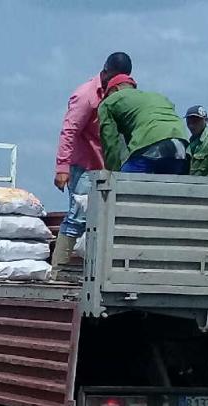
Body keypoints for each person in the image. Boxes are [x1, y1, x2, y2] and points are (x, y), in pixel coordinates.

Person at [51, 52, 132, 279]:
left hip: (109, 167)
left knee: (106, 219)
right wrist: (62, 167)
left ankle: (96, 274)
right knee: (79, 215)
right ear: (106, 72)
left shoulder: (122, 95)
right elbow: (69, 131)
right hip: (84, 166)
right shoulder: (86, 95)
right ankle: (58, 271)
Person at [99, 74, 188, 174]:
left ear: (116, 89)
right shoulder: (158, 97)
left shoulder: (109, 102)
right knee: (166, 188)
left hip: (151, 143)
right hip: (179, 145)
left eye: (108, 94)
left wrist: (113, 173)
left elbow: (110, 141)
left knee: (125, 185)